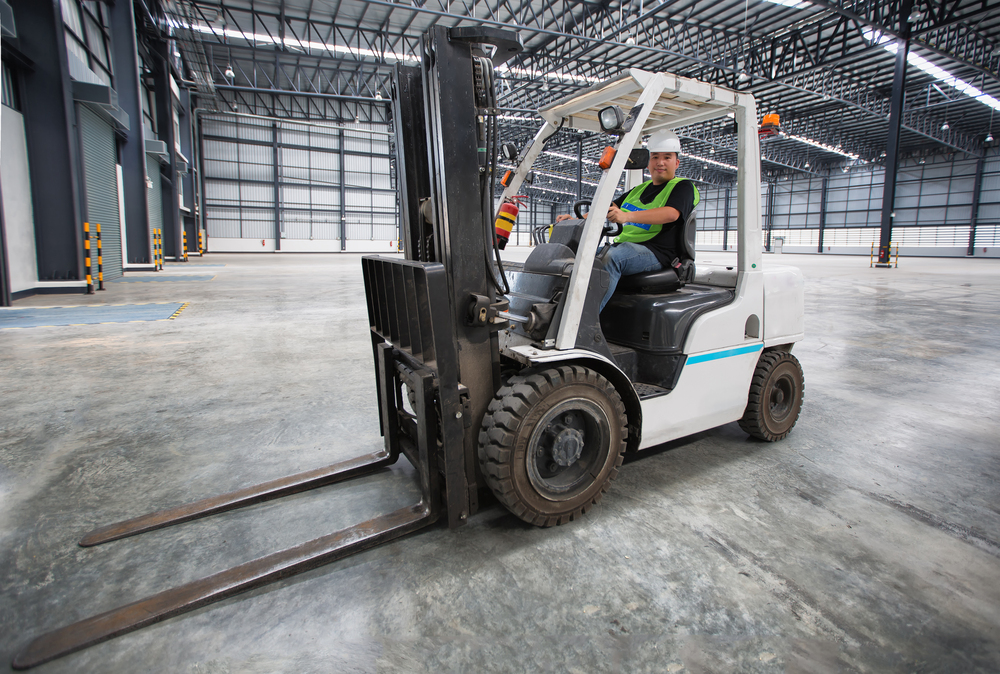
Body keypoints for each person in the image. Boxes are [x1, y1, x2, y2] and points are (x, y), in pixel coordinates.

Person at [556, 129, 700, 311]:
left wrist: (626, 216)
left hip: (657, 253)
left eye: (667, 157)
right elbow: (605, 209)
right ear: (648, 162)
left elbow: (671, 213)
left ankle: (585, 320)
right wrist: (575, 219)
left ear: (676, 162)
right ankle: (560, 313)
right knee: (577, 255)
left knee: (612, 258)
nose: (660, 162)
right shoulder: (638, 190)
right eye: (655, 157)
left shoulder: (683, 187)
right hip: (626, 247)